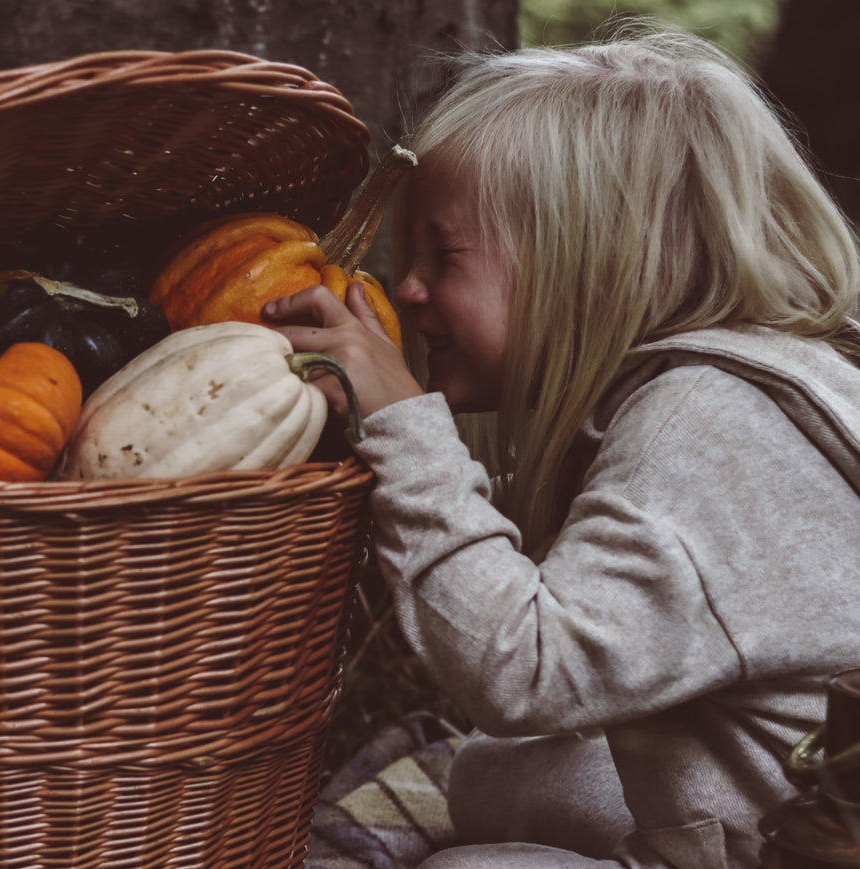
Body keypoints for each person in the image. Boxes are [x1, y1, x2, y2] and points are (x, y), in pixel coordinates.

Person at [263, 25, 860, 869]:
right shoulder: (738, 387)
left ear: (587, 262)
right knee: (494, 773)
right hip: (740, 786)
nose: (408, 287)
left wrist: (401, 430)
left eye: (444, 255)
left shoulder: (700, 427)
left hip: (793, 847)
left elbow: (528, 671)